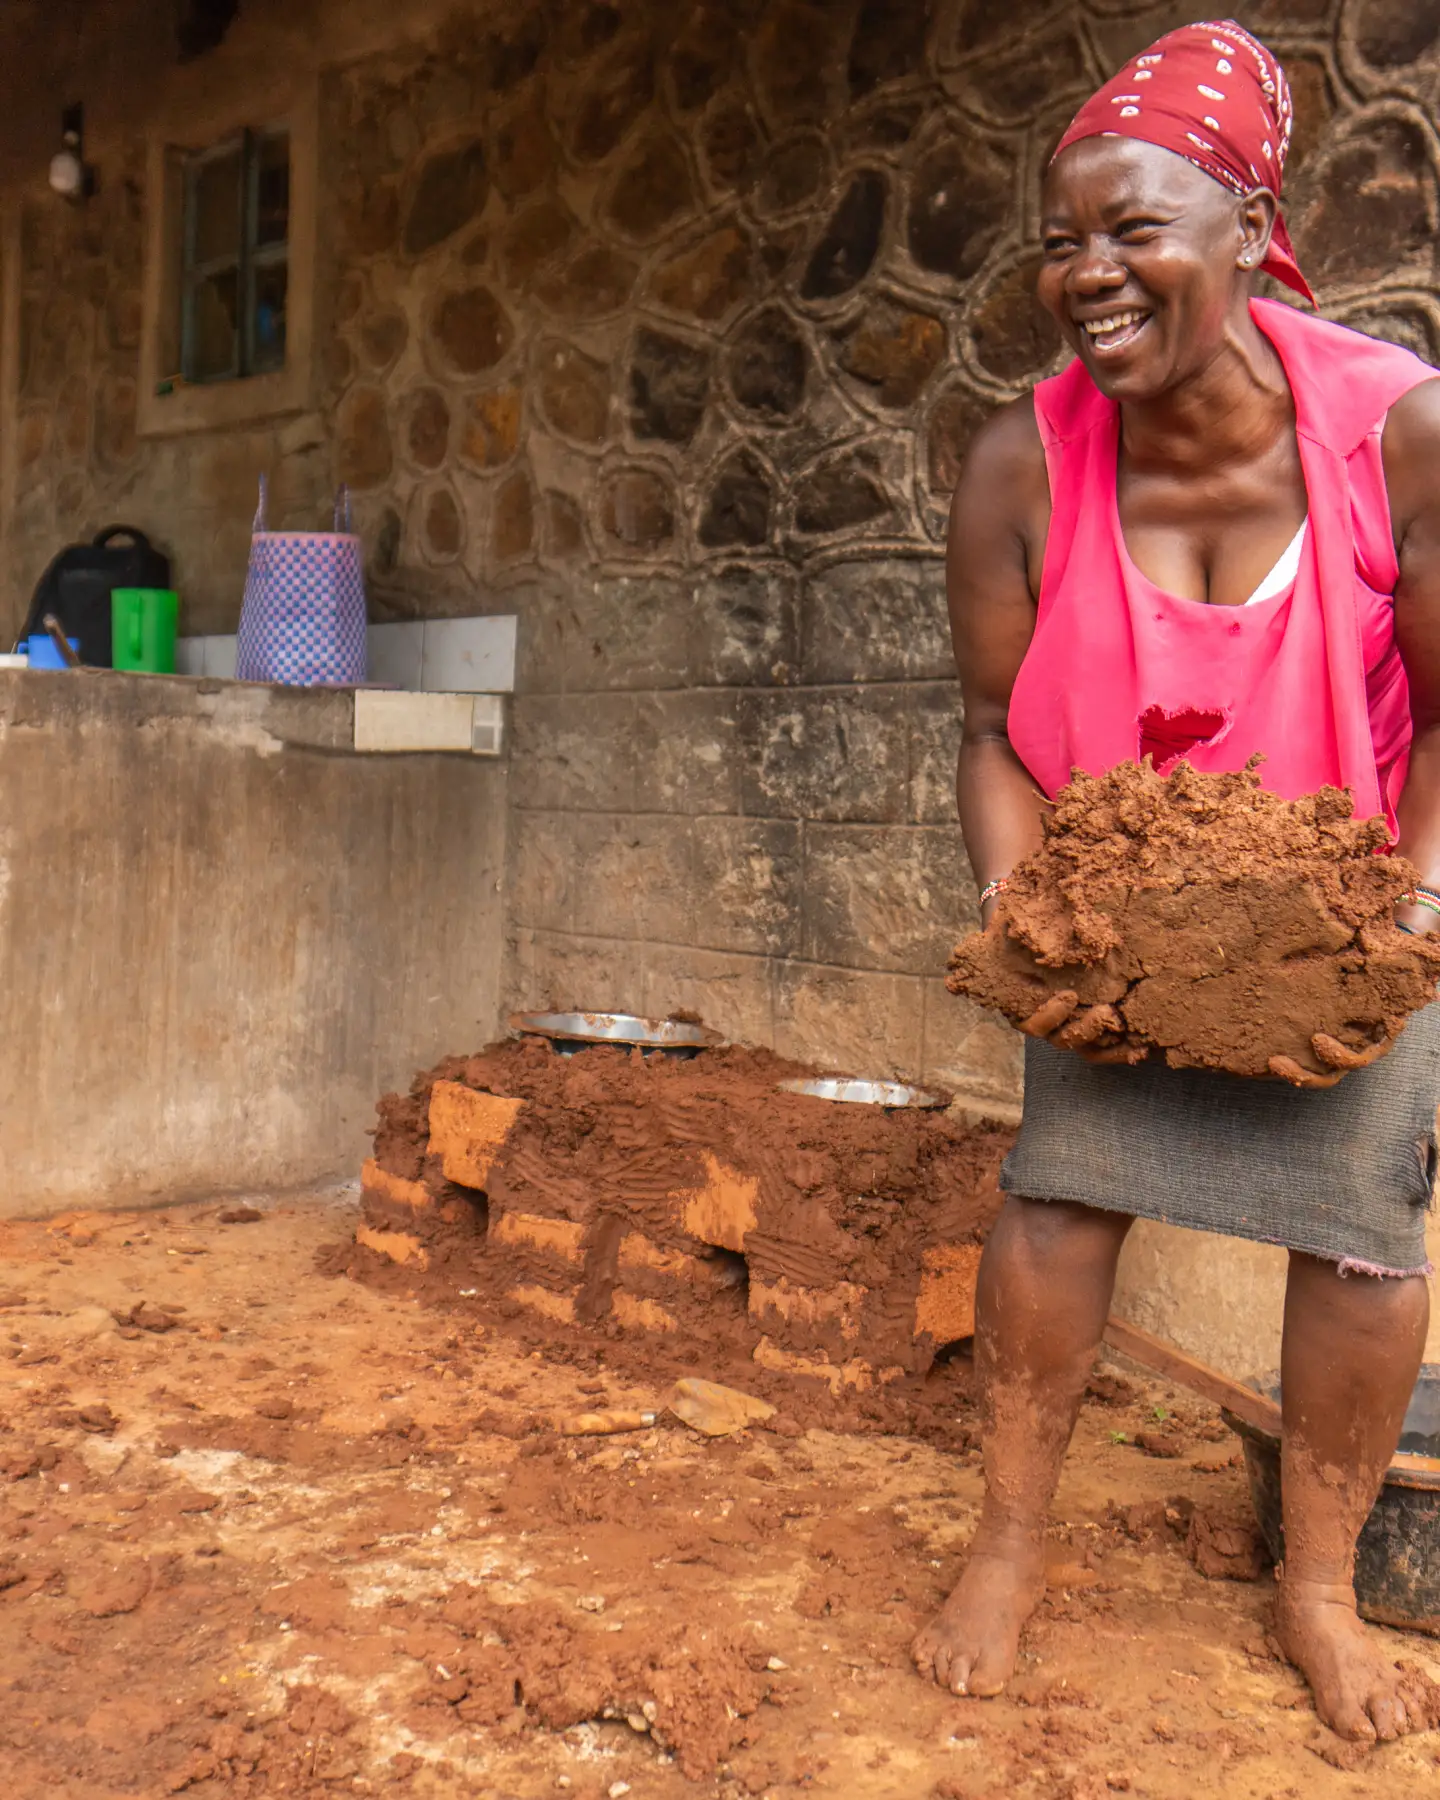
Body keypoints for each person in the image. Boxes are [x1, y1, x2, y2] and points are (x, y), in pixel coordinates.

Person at [911, 19, 1440, 1744]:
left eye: (1134, 229)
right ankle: (1007, 1541)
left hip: (1340, 911)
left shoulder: (1400, 438)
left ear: (1250, 229)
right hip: (1119, 916)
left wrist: (1404, 923)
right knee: (1057, 1206)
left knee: (1364, 1253)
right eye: (1062, 241)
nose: (1089, 275)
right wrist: (1021, 912)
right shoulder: (1022, 460)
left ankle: (1314, 1588)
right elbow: (994, 729)